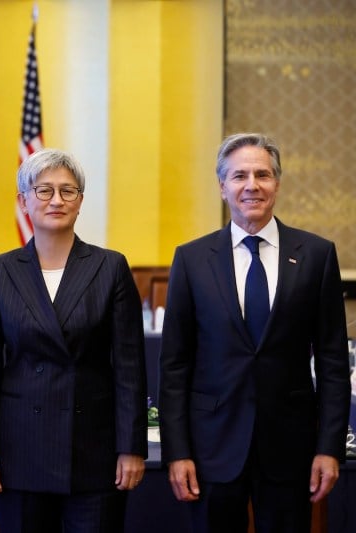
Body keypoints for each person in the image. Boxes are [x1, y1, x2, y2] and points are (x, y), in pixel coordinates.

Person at [159, 133, 351, 533]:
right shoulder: (191, 259)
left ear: (277, 184)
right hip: (211, 449)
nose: (252, 185)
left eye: (262, 174)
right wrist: (177, 452)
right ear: (222, 187)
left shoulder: (317, 255)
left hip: (290, 448)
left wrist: (329, 449)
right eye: (239, 175)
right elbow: (175, 364)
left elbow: (333, 363)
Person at [0, 148, 148, 532]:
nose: (56, 201)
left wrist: (131, 447)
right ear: (24, 201)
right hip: (19, 450)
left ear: (80, 201)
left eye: (68, 191)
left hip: (94, 452)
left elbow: (130, 368)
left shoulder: (109, 267)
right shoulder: (0, 271)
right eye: (44, 190)